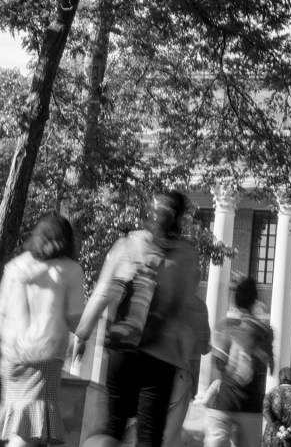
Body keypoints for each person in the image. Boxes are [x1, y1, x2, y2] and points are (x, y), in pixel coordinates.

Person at [77, 189, 200, 447]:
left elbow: (102, 293)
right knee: (149, 434)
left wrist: (82, 334)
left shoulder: (126, 245)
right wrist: (186, 358)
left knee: (113, 424)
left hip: (123, 347)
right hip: (162, 356)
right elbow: (185, 310)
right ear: (180, 219)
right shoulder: (186, 256)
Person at [0, 212, 85, 447]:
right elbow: (75, 319)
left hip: (11, 358)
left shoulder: (15, 266)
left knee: (20, 424)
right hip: (45, 357)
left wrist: (12, 344)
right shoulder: (70, 270)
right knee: (30, 430)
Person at [203, 277, 274, 447]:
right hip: (251, 405)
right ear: (254, 300)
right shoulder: (265, 331)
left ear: (234, 300)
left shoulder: (225, 327)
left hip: (224, 402)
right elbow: (270, 366)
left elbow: (218, 364)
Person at [164, 289, 212, 447]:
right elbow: (204, 346)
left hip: (157, 367)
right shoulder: (198, 306)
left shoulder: (164, 296)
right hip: (182, 371)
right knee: (171, 432)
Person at [262, 369, 291, 447]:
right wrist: (290, 431)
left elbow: (265, 411)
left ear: (280, 378)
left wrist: (279, 427)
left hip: (271, 438)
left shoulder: (270, 393)